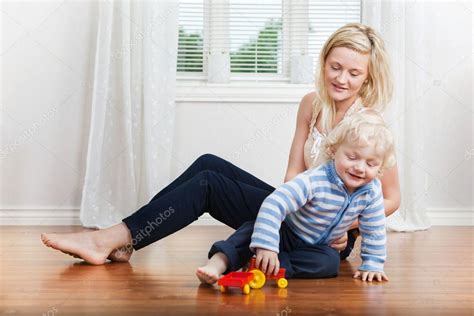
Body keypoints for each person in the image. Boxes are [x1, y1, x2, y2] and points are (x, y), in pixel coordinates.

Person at [40, 23, 400, 268]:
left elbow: (392, 196)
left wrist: (348, 227)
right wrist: (282, 206)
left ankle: (108, 240)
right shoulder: (311, 103)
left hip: (326, 234)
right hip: (296, 211)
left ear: (368, 77)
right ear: (323, 62)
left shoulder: (369, 124)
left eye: (354, 74)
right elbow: (294, 168)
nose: (341, 78)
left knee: (208, 186)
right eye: (335, 67)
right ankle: (128, 239)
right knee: (208, 163)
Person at [196, 110, 394, 283]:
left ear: (380, 167)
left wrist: (372, 264)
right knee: (251, 230)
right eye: (352, 157)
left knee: (329, 263)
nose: (360, 168)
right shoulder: (315, 180)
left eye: (371, 164)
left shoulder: (371, 190)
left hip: (318, 246)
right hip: (288, 232)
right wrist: (266, 245)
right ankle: (218, 263)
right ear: (333, 151)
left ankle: (273, 266)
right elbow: (275, 202)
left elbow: (374, 227)